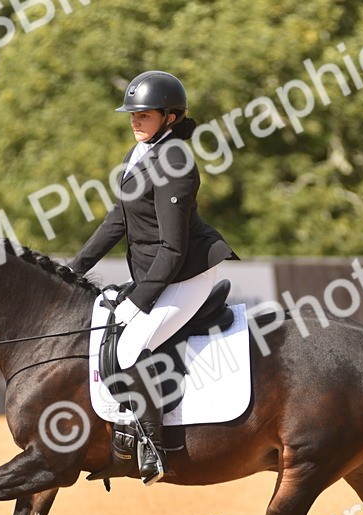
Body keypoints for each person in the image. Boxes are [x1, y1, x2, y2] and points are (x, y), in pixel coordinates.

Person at [67, 70, 237, 485]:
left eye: (143, 114)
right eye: (132, 114)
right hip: (158, 271)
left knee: (129, 347)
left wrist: (140, 298)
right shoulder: (138, 155)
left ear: (170, 117)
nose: (134, 121)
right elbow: (115, 223)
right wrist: (70, 271)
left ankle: (153, 449)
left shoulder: (175, 161)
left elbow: (175, 249)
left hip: (187, 272)